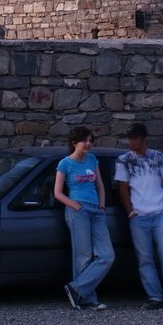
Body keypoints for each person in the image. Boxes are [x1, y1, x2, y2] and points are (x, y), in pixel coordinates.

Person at [114, 123, 163, 311]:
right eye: (129, 138)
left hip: (160, 214)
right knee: (145, 259)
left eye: (134, 138)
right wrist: (130, 212)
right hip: (139, 216)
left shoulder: (158, 157)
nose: (130, 141)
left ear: (143, 139)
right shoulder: (123, 160)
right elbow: (122, 187)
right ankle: (155, 297)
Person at [54, 126, 114, 310]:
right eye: (84, 141)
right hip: (77, 210)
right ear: (74, 143)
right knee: (84, 256)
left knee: (107, 255)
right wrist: (75, 206)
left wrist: (102, 206)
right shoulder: (65, 164)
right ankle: (87, 300)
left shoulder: (92, 159)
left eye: (90, 140)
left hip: (96, 210)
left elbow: (100, 186)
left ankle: (76, 289)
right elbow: (57, 193)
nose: (88, 144)